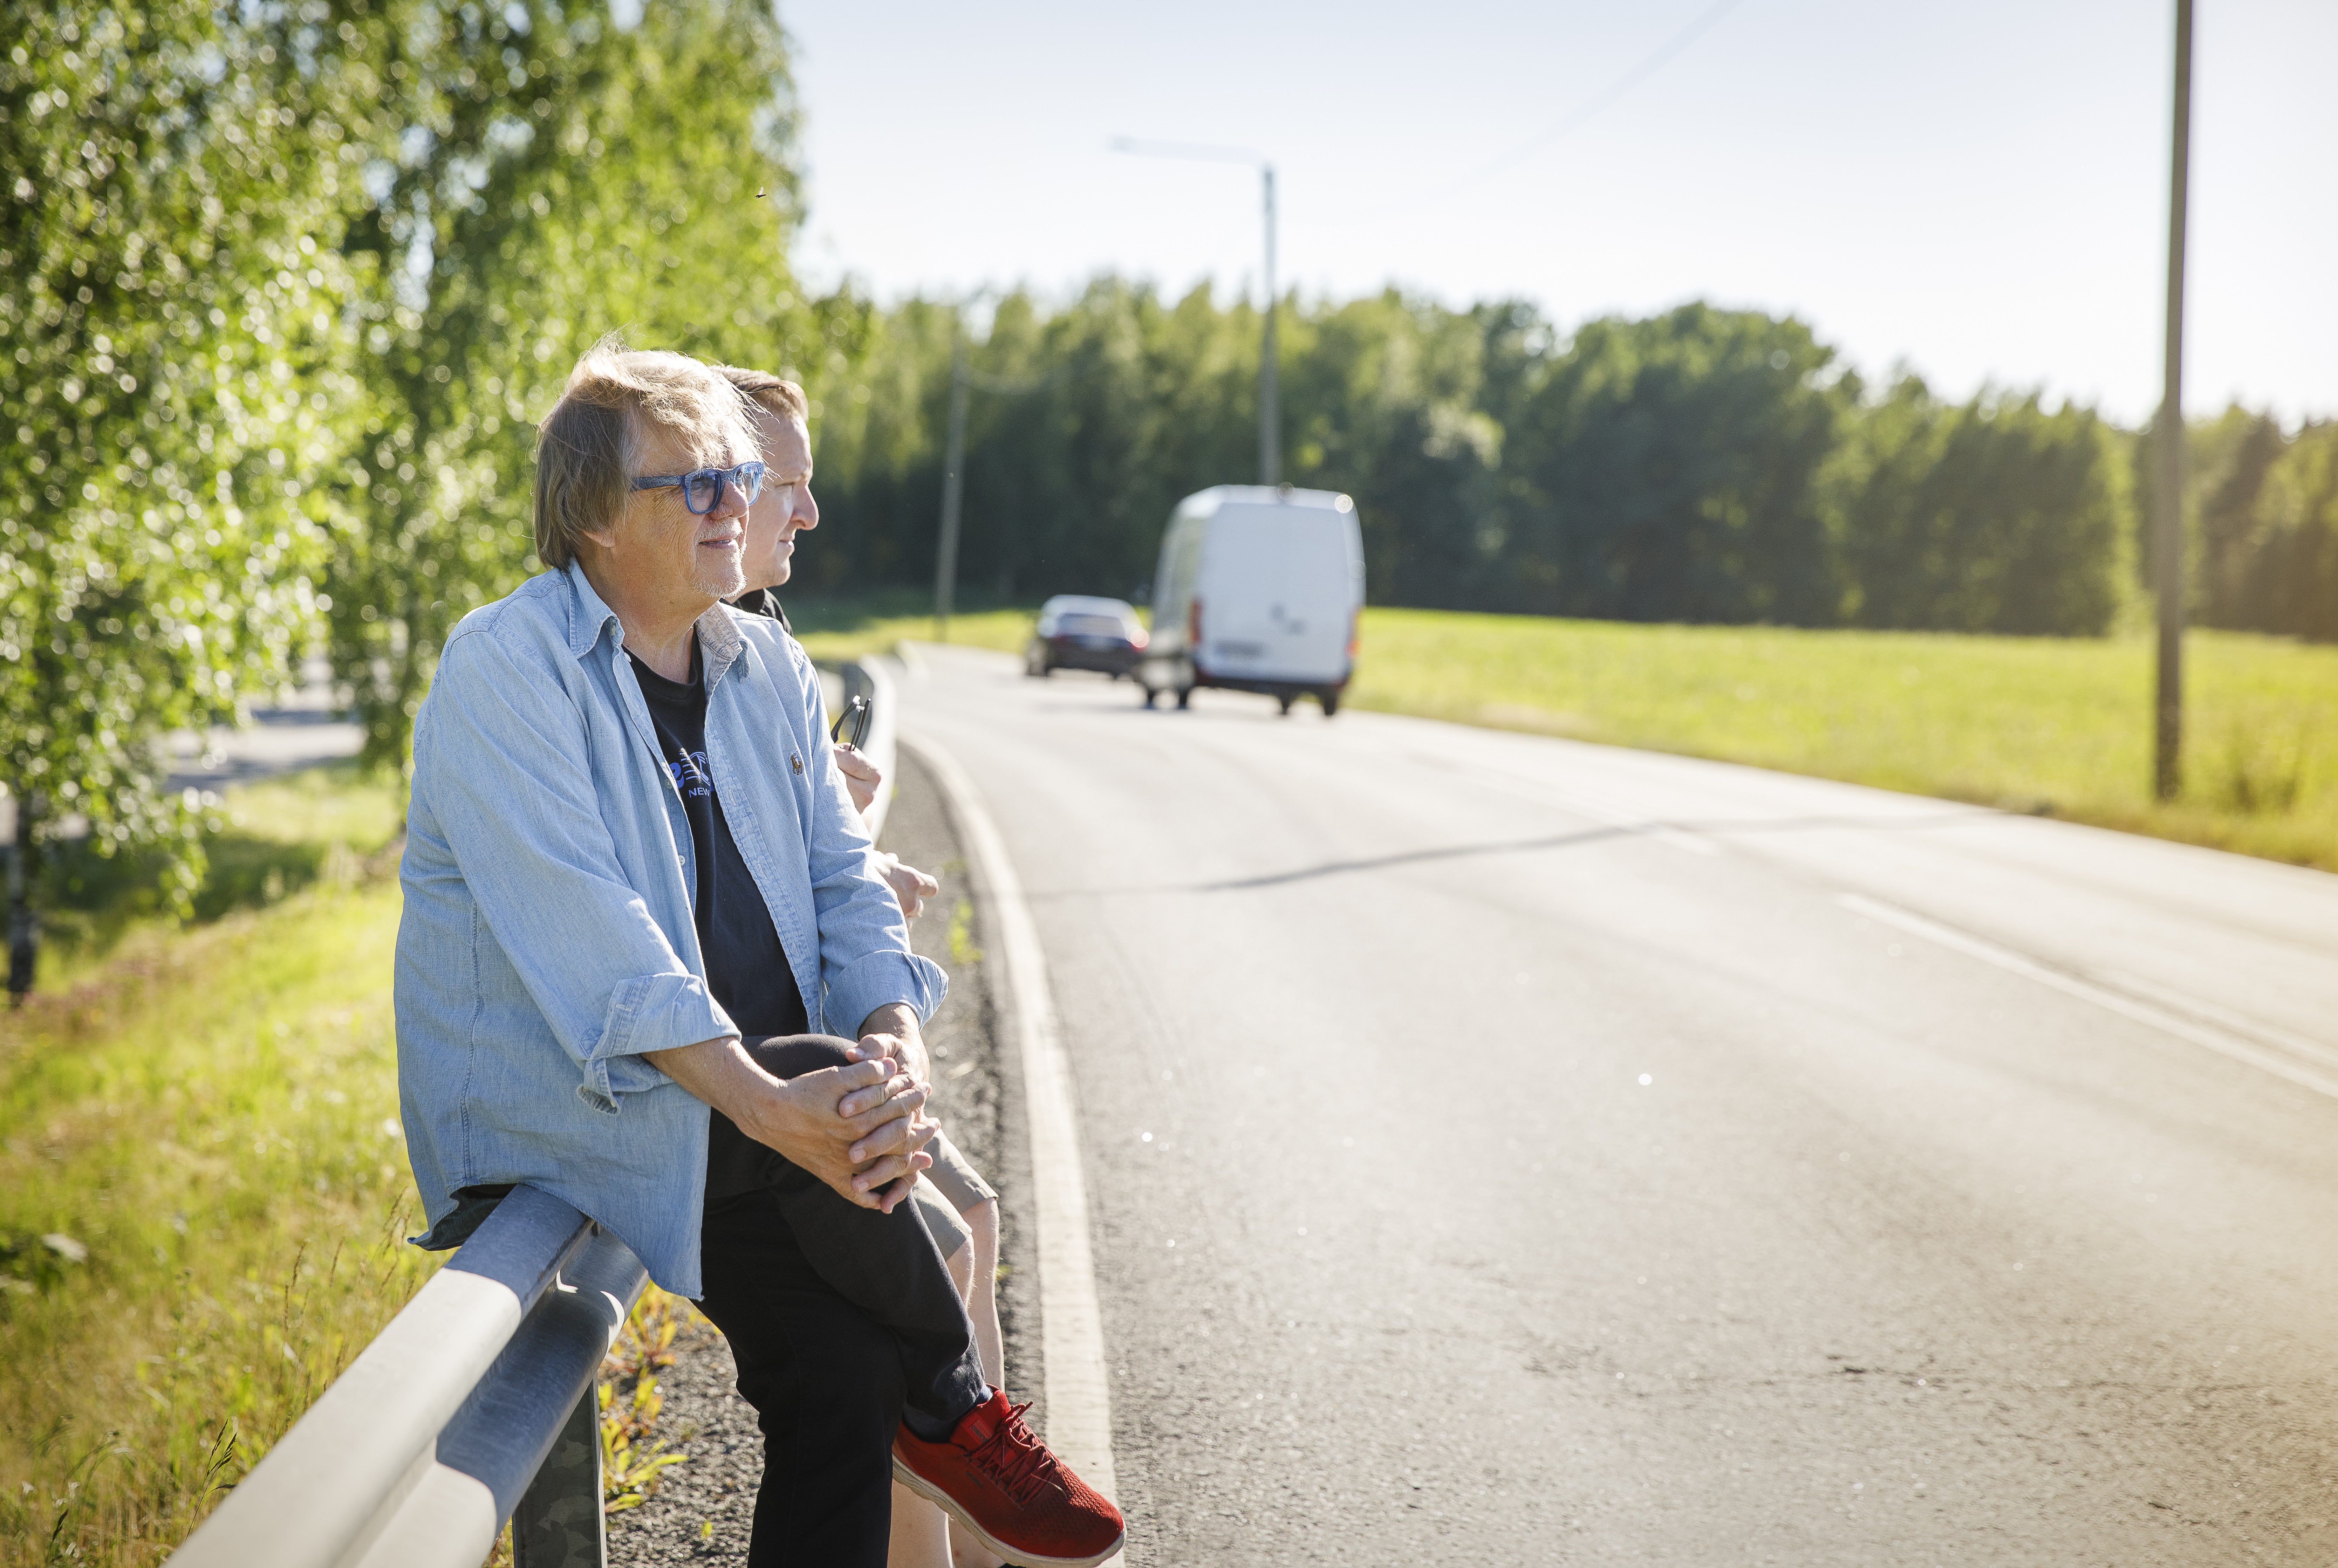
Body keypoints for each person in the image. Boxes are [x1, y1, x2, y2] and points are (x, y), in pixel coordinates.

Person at [394, 338, 1122, 1568]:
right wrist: (778, 1094)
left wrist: (892, 1046)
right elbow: (597, 941)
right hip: (589, 1110)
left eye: (738, 474)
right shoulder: (505, 670)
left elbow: (843, 879)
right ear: (593, 519)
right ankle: (955, 1400)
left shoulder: (765, 661)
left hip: (756, 1117)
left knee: (839, 1378)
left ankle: (933, 1399)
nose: (741, 501)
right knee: (842, 1161)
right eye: (698, 485)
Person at [716, 364, 1005, 1568]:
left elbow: (798, 857)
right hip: (728, 1068)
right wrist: (823, 834)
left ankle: (982, 1524)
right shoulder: (656, 651)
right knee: (933, 1256)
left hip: (787, 1044)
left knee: (970, 1215)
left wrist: (845, 847)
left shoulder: (767, 643)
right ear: (717, 488)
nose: (810, 512)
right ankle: (980, 1522)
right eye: (789, 482)